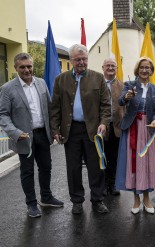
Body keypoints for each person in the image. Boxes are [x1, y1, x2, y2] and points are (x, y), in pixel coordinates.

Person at [0, 53, 63, 218]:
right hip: (24, 137)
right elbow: (3, 115)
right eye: (22, 67)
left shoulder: (41, 83)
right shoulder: (7, 89)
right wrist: (16, 133)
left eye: (29, 66)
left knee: (46, 167)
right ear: (15, 68)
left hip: (42, 134)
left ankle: (46, 197)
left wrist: (55, 130)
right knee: (27, 172)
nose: (27, 70)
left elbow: (49, 108)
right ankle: (31, 204)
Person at [50, 44, 111, 215]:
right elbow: (54, 108)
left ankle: (97, 200)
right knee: (73, 168)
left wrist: (104, 123)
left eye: (84, 59)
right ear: (71, 61)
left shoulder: (98, 78)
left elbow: (106, 106)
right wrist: (55, 129)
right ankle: (77, 201)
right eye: (78, 59)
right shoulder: (60, 80)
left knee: (96, 167)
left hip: (93, 130)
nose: (82, 62)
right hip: (71, 130)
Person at [115, 57, 155, 215]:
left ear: (151, 70)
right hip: (133, 129)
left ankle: (147, 198)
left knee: (148, 164)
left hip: (149, 129)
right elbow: (121, 101)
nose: (144, 70)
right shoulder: (129, 85)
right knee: (134, 164)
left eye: (147, 68)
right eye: (142, 67)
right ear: (137, 69)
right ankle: (136, 199)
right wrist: (127, 96)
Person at [102, 58, 125, 196]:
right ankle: (103, 184)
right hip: (102, 127)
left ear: (117, 69)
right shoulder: (98, 84)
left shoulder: (122, 86)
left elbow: (126, 107)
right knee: (102, 157)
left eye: (113, 66)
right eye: (108, 65)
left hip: (117, 127)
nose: (110, 68)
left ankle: (113, 183)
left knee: (115, 157)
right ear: (103, 67)